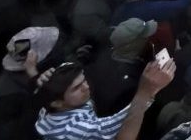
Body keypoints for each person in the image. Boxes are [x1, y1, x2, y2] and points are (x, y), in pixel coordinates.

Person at [34, 60, 176, 140]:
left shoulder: (51, 102)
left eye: (83, 80)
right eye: (76, 88)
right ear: (57, 102)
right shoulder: (74, 129)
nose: (86, 87)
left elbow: (65, 66)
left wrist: (48, 76)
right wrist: (147, 91)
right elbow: (119, 125)